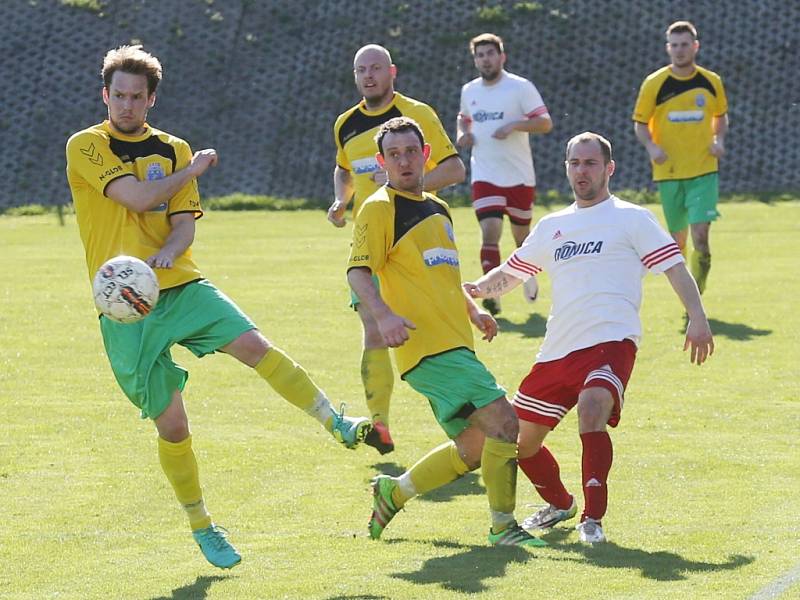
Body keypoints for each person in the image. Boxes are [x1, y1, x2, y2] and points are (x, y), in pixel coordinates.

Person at [65, 45, 372, 570]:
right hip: (125, 307)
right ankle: (202, 524)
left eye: (137, 97)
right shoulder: (87, 145)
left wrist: (171, 247)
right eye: (118, 96)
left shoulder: (173, 148)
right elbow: (137, 198)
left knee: (255, 346)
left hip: (180, 283)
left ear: (152, 99)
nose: (127, 106)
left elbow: (183, 221)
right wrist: (194, 169)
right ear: (105, 95)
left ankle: (334, 421)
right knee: (175, 427)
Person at [465, 132, 714, 543]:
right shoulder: (552, 226)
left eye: (591, 163)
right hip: (557, 350)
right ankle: (561, 505)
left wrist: (698, 317)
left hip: (611, 342)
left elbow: (673, 266)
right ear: (566, 168)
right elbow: (511, 273)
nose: (582, 171)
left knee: (593, 404)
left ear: (609, 168)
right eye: (575, 163)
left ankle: (592, 519)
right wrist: (477, 289)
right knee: (517, 442)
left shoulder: (632, 218)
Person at [347, 116, 545, 548]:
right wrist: (383, 316)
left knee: (475, 448)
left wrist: (474, 310)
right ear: (381, 162)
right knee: (505, 422)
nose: (403, 161)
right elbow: (358, 272)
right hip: (424, 344)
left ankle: (393, 491)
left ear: (426, 155)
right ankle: (503, 527)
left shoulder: (438, 208)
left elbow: (443, 273)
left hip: (455, 341)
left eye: (410, 152)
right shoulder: (381, 207)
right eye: (394, 155)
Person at [329, 44, 466, 455]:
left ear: (392, 72)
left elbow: (455, 168)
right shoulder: (346, 124)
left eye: (375, 68)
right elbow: (343, 167)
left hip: (413, 237)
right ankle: (380, 425)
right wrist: (342, 198)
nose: (368, 76)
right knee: (373, 328)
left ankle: (462, 421)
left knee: (429, 327)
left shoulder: (415, 115)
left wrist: (408, 194)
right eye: (360, 70)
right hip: (370, 239)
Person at [456, 33, 553, 315]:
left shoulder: (520, 88)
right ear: (475, 60)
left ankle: (526, 273)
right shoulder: (469, 90)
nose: (485, 59)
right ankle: (491, 296)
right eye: (480, 55)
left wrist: (513, 126)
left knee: (521, 238)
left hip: (519, 174)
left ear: (502, 57)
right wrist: (463, 134)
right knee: (490, 231)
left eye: (490, 54)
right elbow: (464, 117)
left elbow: (544, 122)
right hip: (484, 172)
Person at [633, 20, 729, 295]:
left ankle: (698, 290)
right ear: (668, 48)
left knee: (700, 235)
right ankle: (687, 293)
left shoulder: (711, 82)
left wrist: (718, 140)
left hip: (703, 170)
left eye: (685, 44)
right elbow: (640, 124)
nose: (679, 50)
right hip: (670, 172)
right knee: (678, 238)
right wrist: (652, 147)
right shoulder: (654, 83)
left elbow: (720, 118)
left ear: (695, 47)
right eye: (674, 45)